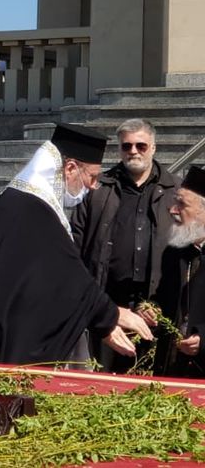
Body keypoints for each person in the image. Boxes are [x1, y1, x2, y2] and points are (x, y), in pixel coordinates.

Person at [0, 123, 153, 364]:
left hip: (4, 325)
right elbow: (66, 275)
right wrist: (108, 315)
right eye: (92, 177)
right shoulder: (32, 209)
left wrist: (103, 315)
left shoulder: (21, 201)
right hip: (8, 337)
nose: (93, 186)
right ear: (69, 168)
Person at [71, 119, 178, 371]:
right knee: (102, 386)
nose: (133, 151)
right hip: (108, 311)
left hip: (156, 315)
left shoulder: (176, 190)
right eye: (126, 146)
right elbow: (75, 247)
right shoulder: (98, 189)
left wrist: (161, 306)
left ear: (153, 147)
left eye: (141, 145)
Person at [152, 166, 205, 378]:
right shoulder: (174, 252)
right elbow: (165, 299)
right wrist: (152, 310)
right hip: (173, 367)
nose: (173, 210)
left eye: (182, 204)